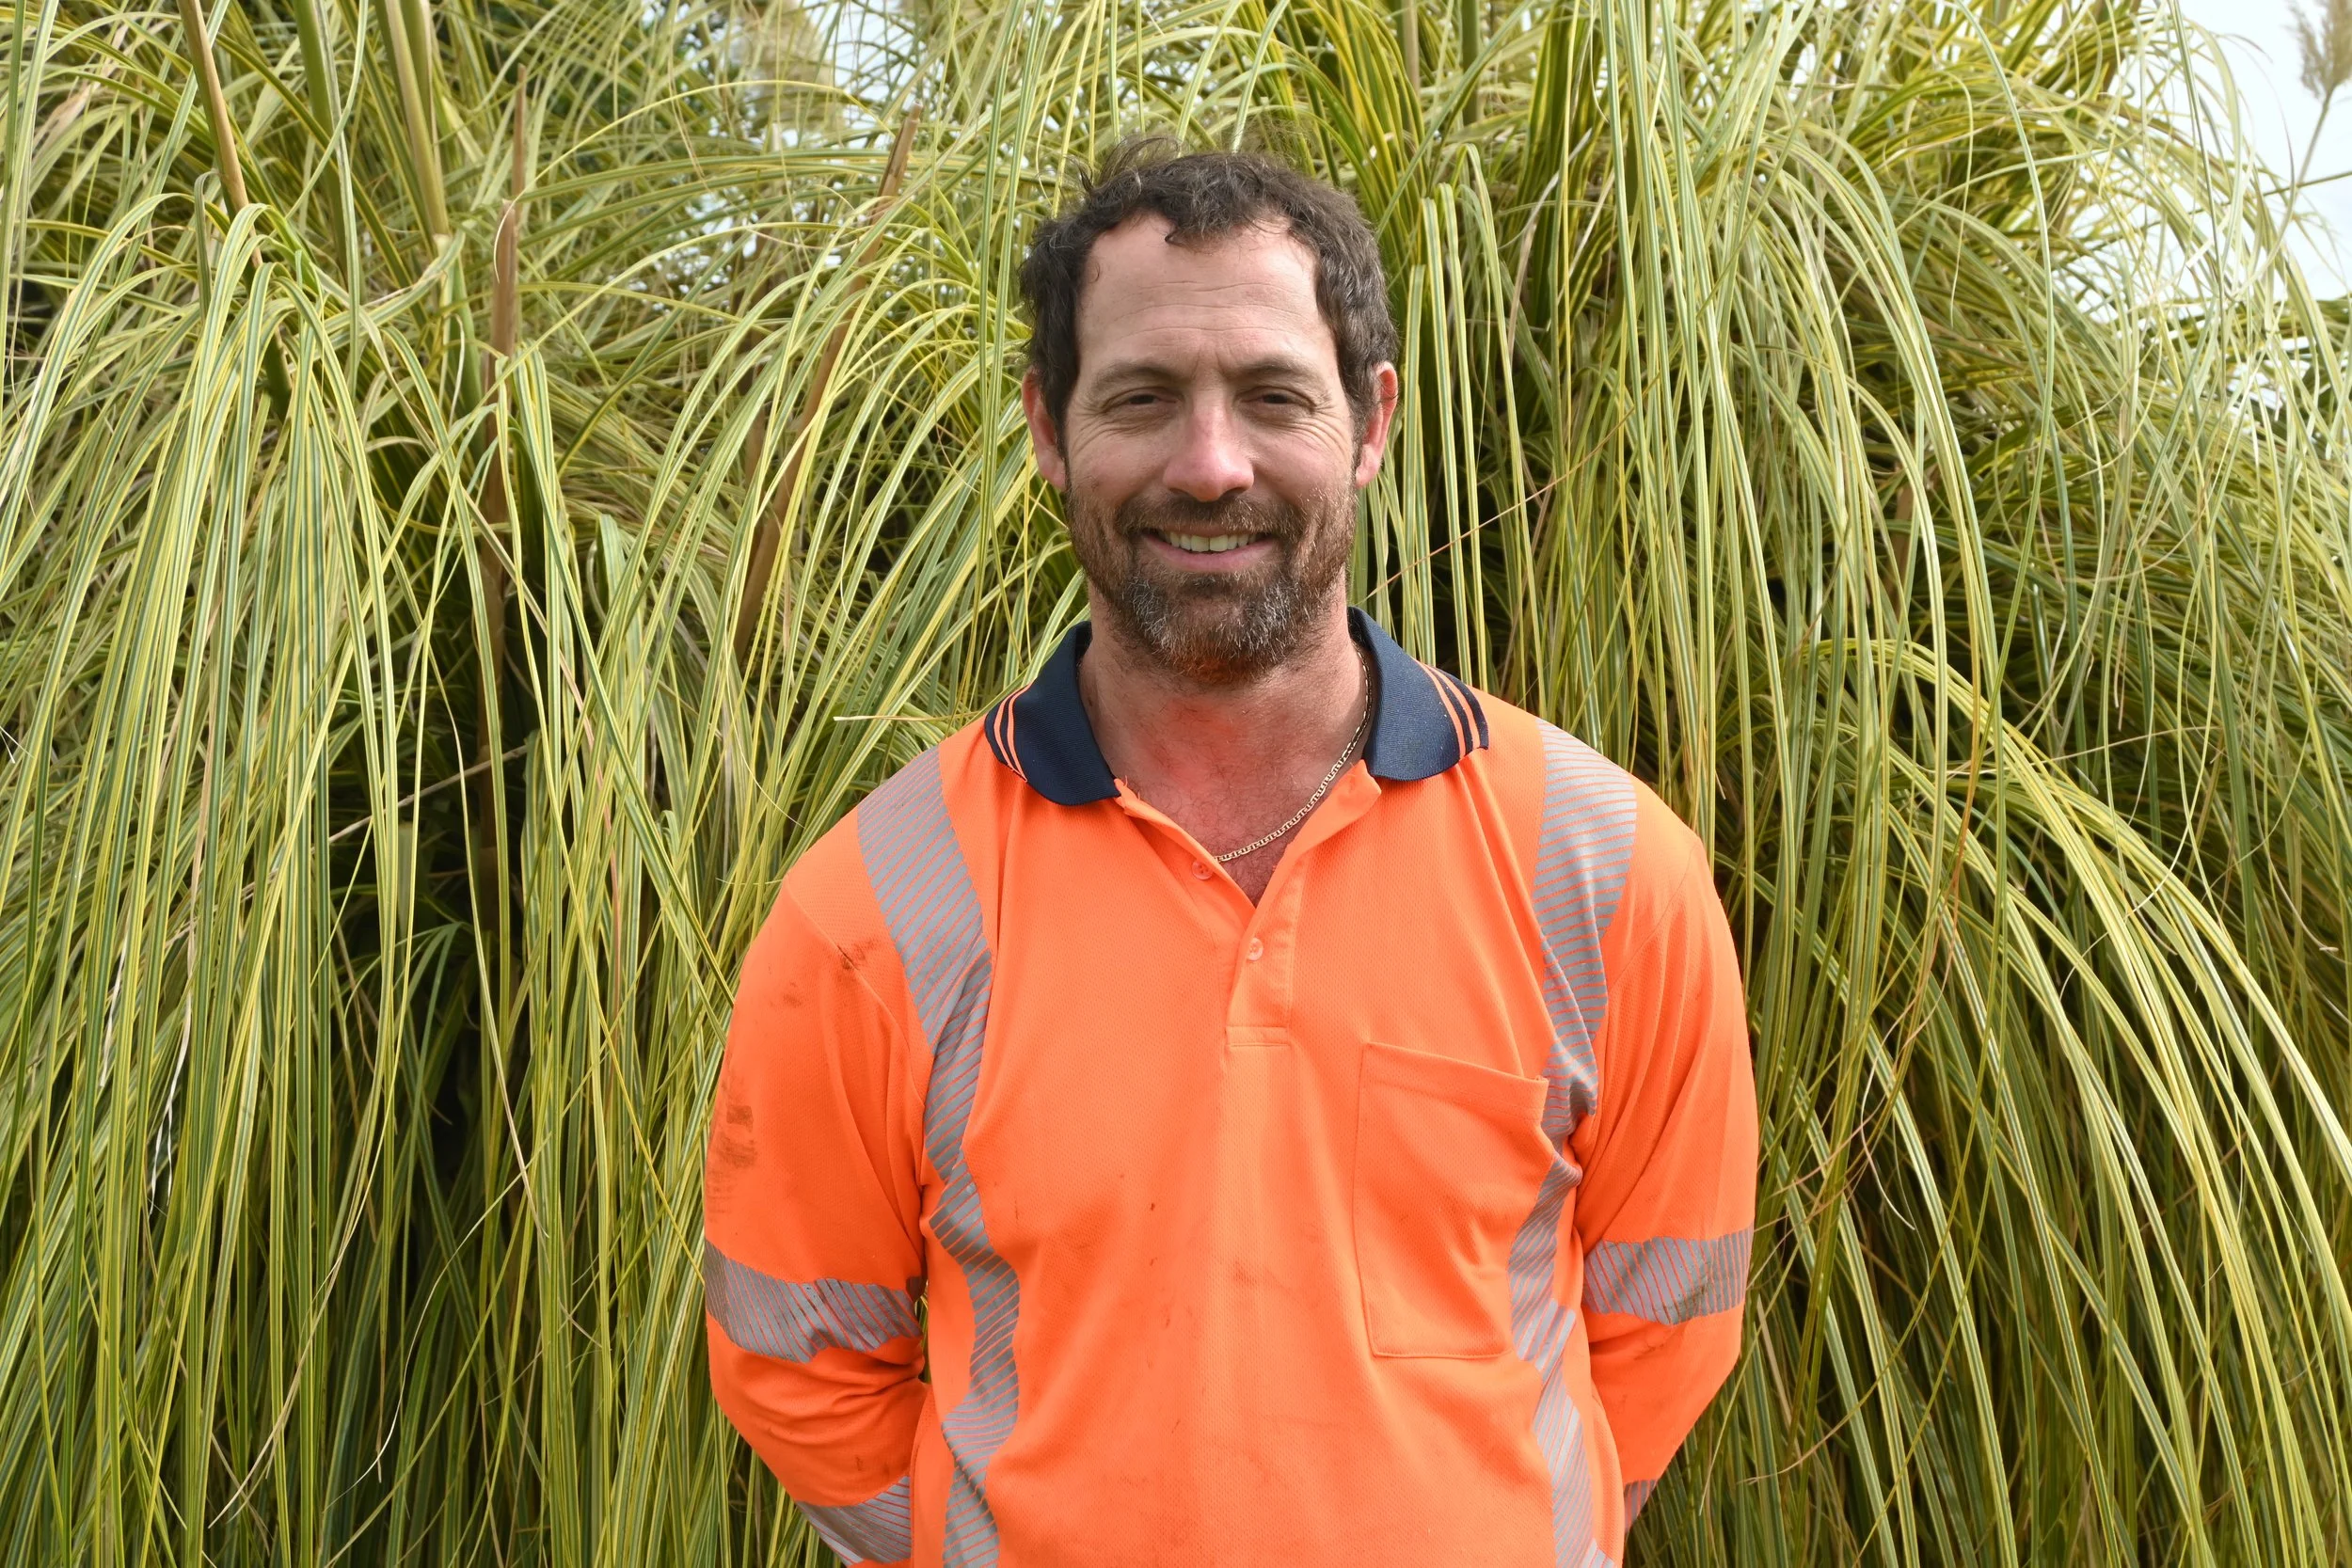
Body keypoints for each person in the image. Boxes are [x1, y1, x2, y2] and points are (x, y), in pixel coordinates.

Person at [702, 141, 1757, 1568]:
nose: (1212, 466)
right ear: (1049, 428)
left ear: (1370, 422)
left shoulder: (1608, 868)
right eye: (1142, 398)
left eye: (1274, 397)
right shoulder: (877, 903)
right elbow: (798, 1355)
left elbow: (1665, 1323)